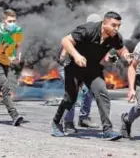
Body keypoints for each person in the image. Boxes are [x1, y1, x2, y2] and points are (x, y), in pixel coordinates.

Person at [51, 11, 132, 140]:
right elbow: (65, 40)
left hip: (93, 69)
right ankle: (56, 123)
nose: (116, 29)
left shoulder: (115, 37)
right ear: (104, 23)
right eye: (114, 25)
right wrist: (77, 55)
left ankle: (107, 130)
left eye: (119, 26)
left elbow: (121, 48)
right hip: (75, 66)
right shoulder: (88, 30)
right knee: (70, 98)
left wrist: (126, 55)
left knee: (102, 94)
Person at [58, 14, 102, 134]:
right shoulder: (80, 33)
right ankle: (67, 123)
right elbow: (63, 53)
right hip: (68, 66)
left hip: (84, 67)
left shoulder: (98, 36)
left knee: (89, 90)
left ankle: (83, 118)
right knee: (72, 94)